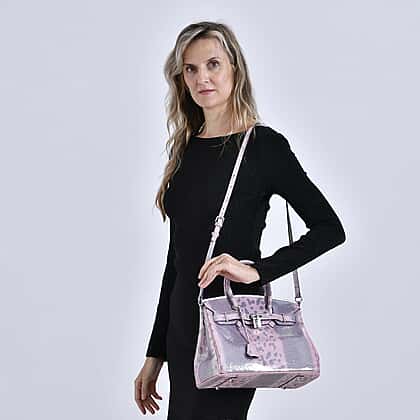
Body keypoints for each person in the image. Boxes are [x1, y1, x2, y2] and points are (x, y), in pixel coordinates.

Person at [134, 21, 346, 420]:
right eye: (191, 69)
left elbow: (330, 229)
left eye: (213, 64)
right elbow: (176, 263)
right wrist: (155, 353)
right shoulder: (186, 150)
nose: (202, 78)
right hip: (183, 330)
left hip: (232, 328)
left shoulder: (263, 147)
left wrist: (257, 271)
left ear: (235, 68)